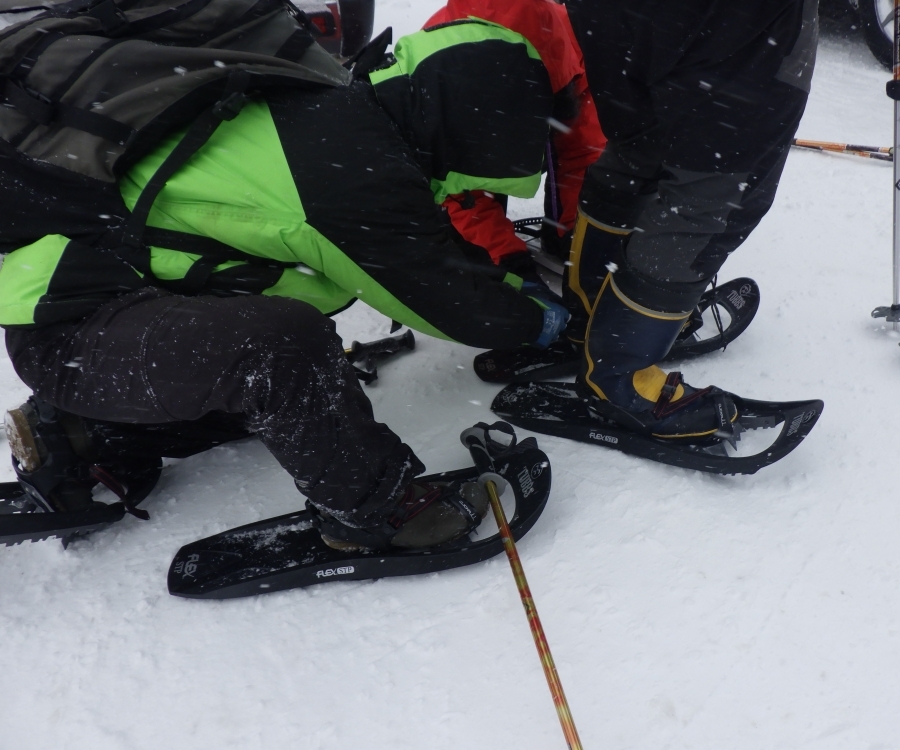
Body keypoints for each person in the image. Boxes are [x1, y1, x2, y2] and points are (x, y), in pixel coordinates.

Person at [0, 20, 565, 550]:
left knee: (290, 397)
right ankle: (375, 512)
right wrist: (543, 323)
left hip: (102, 317)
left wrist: (510, 283)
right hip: (74, 337)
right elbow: (445, 298)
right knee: (280, 348)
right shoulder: (354, 169)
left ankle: (83, 435)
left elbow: (429, 251)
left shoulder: (339, 113)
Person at [552, 0, 819, 438]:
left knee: (641, 145)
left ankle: (594, 313)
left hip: (617, 15)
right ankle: (622, 377)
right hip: (741, 26)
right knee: (717, 192)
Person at [423, 0, 606, 280]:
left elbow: (582, 153)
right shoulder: (435, 74)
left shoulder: (577, 43)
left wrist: (577, 235)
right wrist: (504, 257)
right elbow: (452, 189)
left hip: (553, 78)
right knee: (469, 189)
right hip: (465, 111)